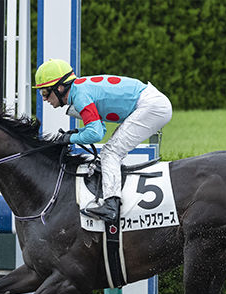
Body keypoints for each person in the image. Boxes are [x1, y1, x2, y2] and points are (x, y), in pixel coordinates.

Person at [33, 58, 172, 222]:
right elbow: (100, 128)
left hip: (152, 106)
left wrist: (69, 138)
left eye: (44, 92)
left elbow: (96, 134)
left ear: (60, 88)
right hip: (151, 103)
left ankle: (111, 206)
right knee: (111, 151)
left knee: (110, 152)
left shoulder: (80, 96)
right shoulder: (79, 91)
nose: (44, 99)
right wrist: (76, 133)